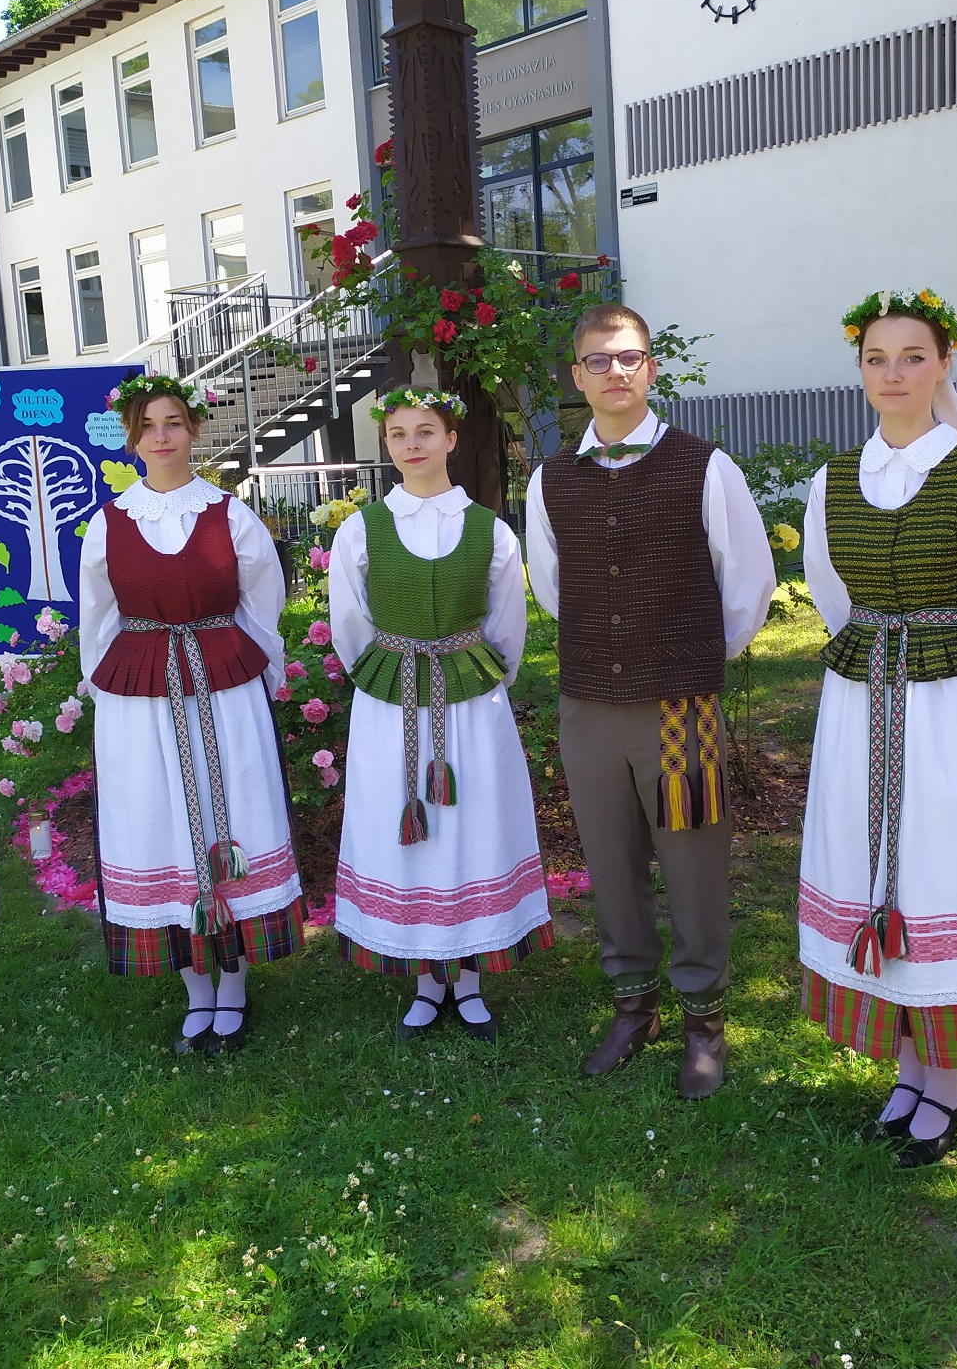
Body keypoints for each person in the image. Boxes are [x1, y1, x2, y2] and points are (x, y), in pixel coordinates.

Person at [798, 290, 957, 1168]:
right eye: (878, 358)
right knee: (872, 865)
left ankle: (945, 1080)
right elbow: (835, 596)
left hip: (948, 711)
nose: (895, 373)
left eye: (914, 356)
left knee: (940, 872)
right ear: (860, 370)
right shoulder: (834, 481)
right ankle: (907, 1064)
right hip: (861, 697)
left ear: (945, 363)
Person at [527, 302, 776, 1098]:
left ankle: (704, 1016)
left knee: (692, 858)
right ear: (578, 376)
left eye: (629, 358)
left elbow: (748, 587)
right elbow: (554, 588)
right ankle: (633, 1005)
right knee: (610, 857)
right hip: (590, 702)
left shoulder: (704, 467)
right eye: (598, 361)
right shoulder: (552, 478)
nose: (615, 372)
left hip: (678, 704)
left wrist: (687, 653)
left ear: (651, 369)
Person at [79, 373, 302, 1054]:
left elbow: (263, 600)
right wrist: (102, 687)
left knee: (228, 810)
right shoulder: (109, 521)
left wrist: (255, 667)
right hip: (140, 694)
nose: (162, 437)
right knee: (159, 824)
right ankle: (192, 987)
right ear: (133, 437)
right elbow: (98, 615)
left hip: (220, 684)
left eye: (174, 423)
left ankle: (231, 983)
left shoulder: (229, 515)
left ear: (194, 431)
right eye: (149, 426)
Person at [328, 388, 550, 1041]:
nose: (412, 444)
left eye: (426, 430)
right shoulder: (360, 530)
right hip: (389, 702)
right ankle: (427, 980)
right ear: (387, 444)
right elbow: (350, 625)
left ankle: (471, 978)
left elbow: (508, 630)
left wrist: (480, 680)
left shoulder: (491, 533)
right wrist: (388, 671)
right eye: (398, 434)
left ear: (452, 439)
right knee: (410, 827)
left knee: (470, 821)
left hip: (471, 705)